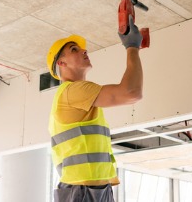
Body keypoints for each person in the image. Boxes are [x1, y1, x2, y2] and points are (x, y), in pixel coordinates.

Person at [46, 15, 144, 202]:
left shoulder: (77, 94)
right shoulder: (72, 91)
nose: (83, 50)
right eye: (74, 49)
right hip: (82, 191)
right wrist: (132, 48)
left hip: (93, 189)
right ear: (61, 63)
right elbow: (132, 92)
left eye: (81, 48)